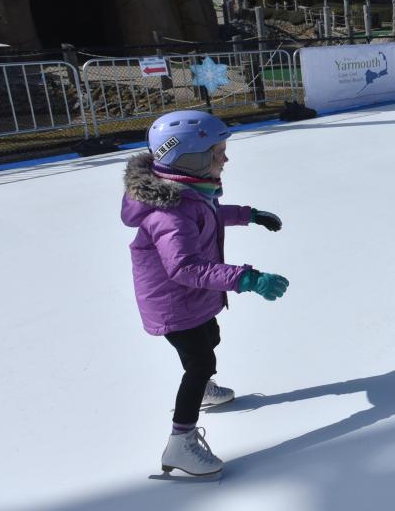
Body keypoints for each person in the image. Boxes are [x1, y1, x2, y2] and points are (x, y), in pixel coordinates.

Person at [121, 110, 290, 477]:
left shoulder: (188, 194)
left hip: (189, 300)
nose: (225, 159)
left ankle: (205, 388)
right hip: (173, 303)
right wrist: (248, 278)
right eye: (219, 152)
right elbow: (185, 268)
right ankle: (180, 443)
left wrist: (250, 215)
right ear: (192, 159)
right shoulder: (169, 213)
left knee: (210, 337)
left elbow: (210, 214)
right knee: (199, 362)